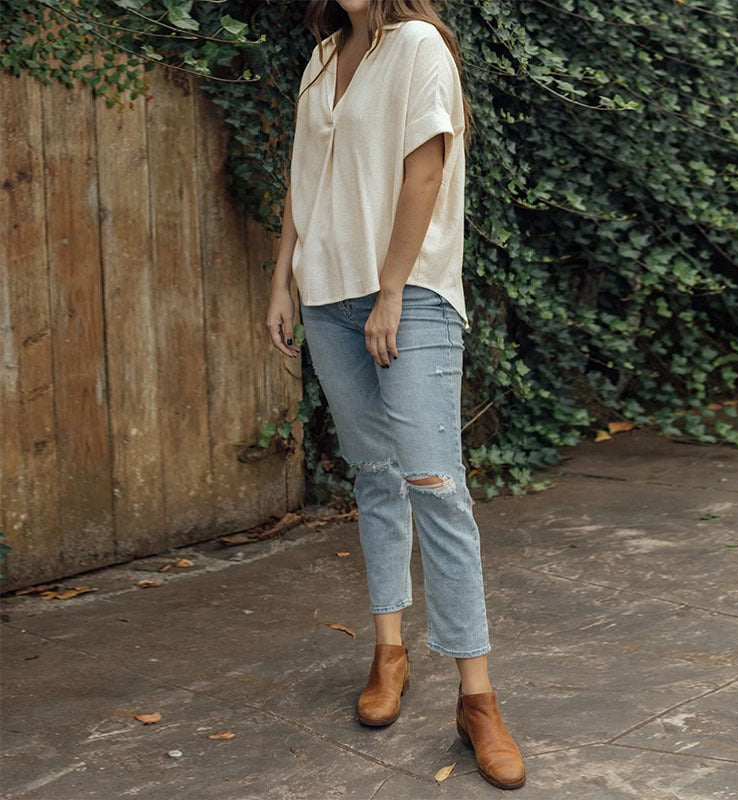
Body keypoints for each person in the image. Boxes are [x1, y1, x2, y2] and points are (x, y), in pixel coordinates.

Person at [265, 0, 525, 790]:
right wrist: (280, 282)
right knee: (374, 477)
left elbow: (426, 169)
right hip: (325, 297)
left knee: (436, 486)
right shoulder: (320, 60)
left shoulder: (418, 47)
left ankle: (476, 700)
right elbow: (301, 185)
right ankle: (389, 651)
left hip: (405, 297)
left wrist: (391, 289)